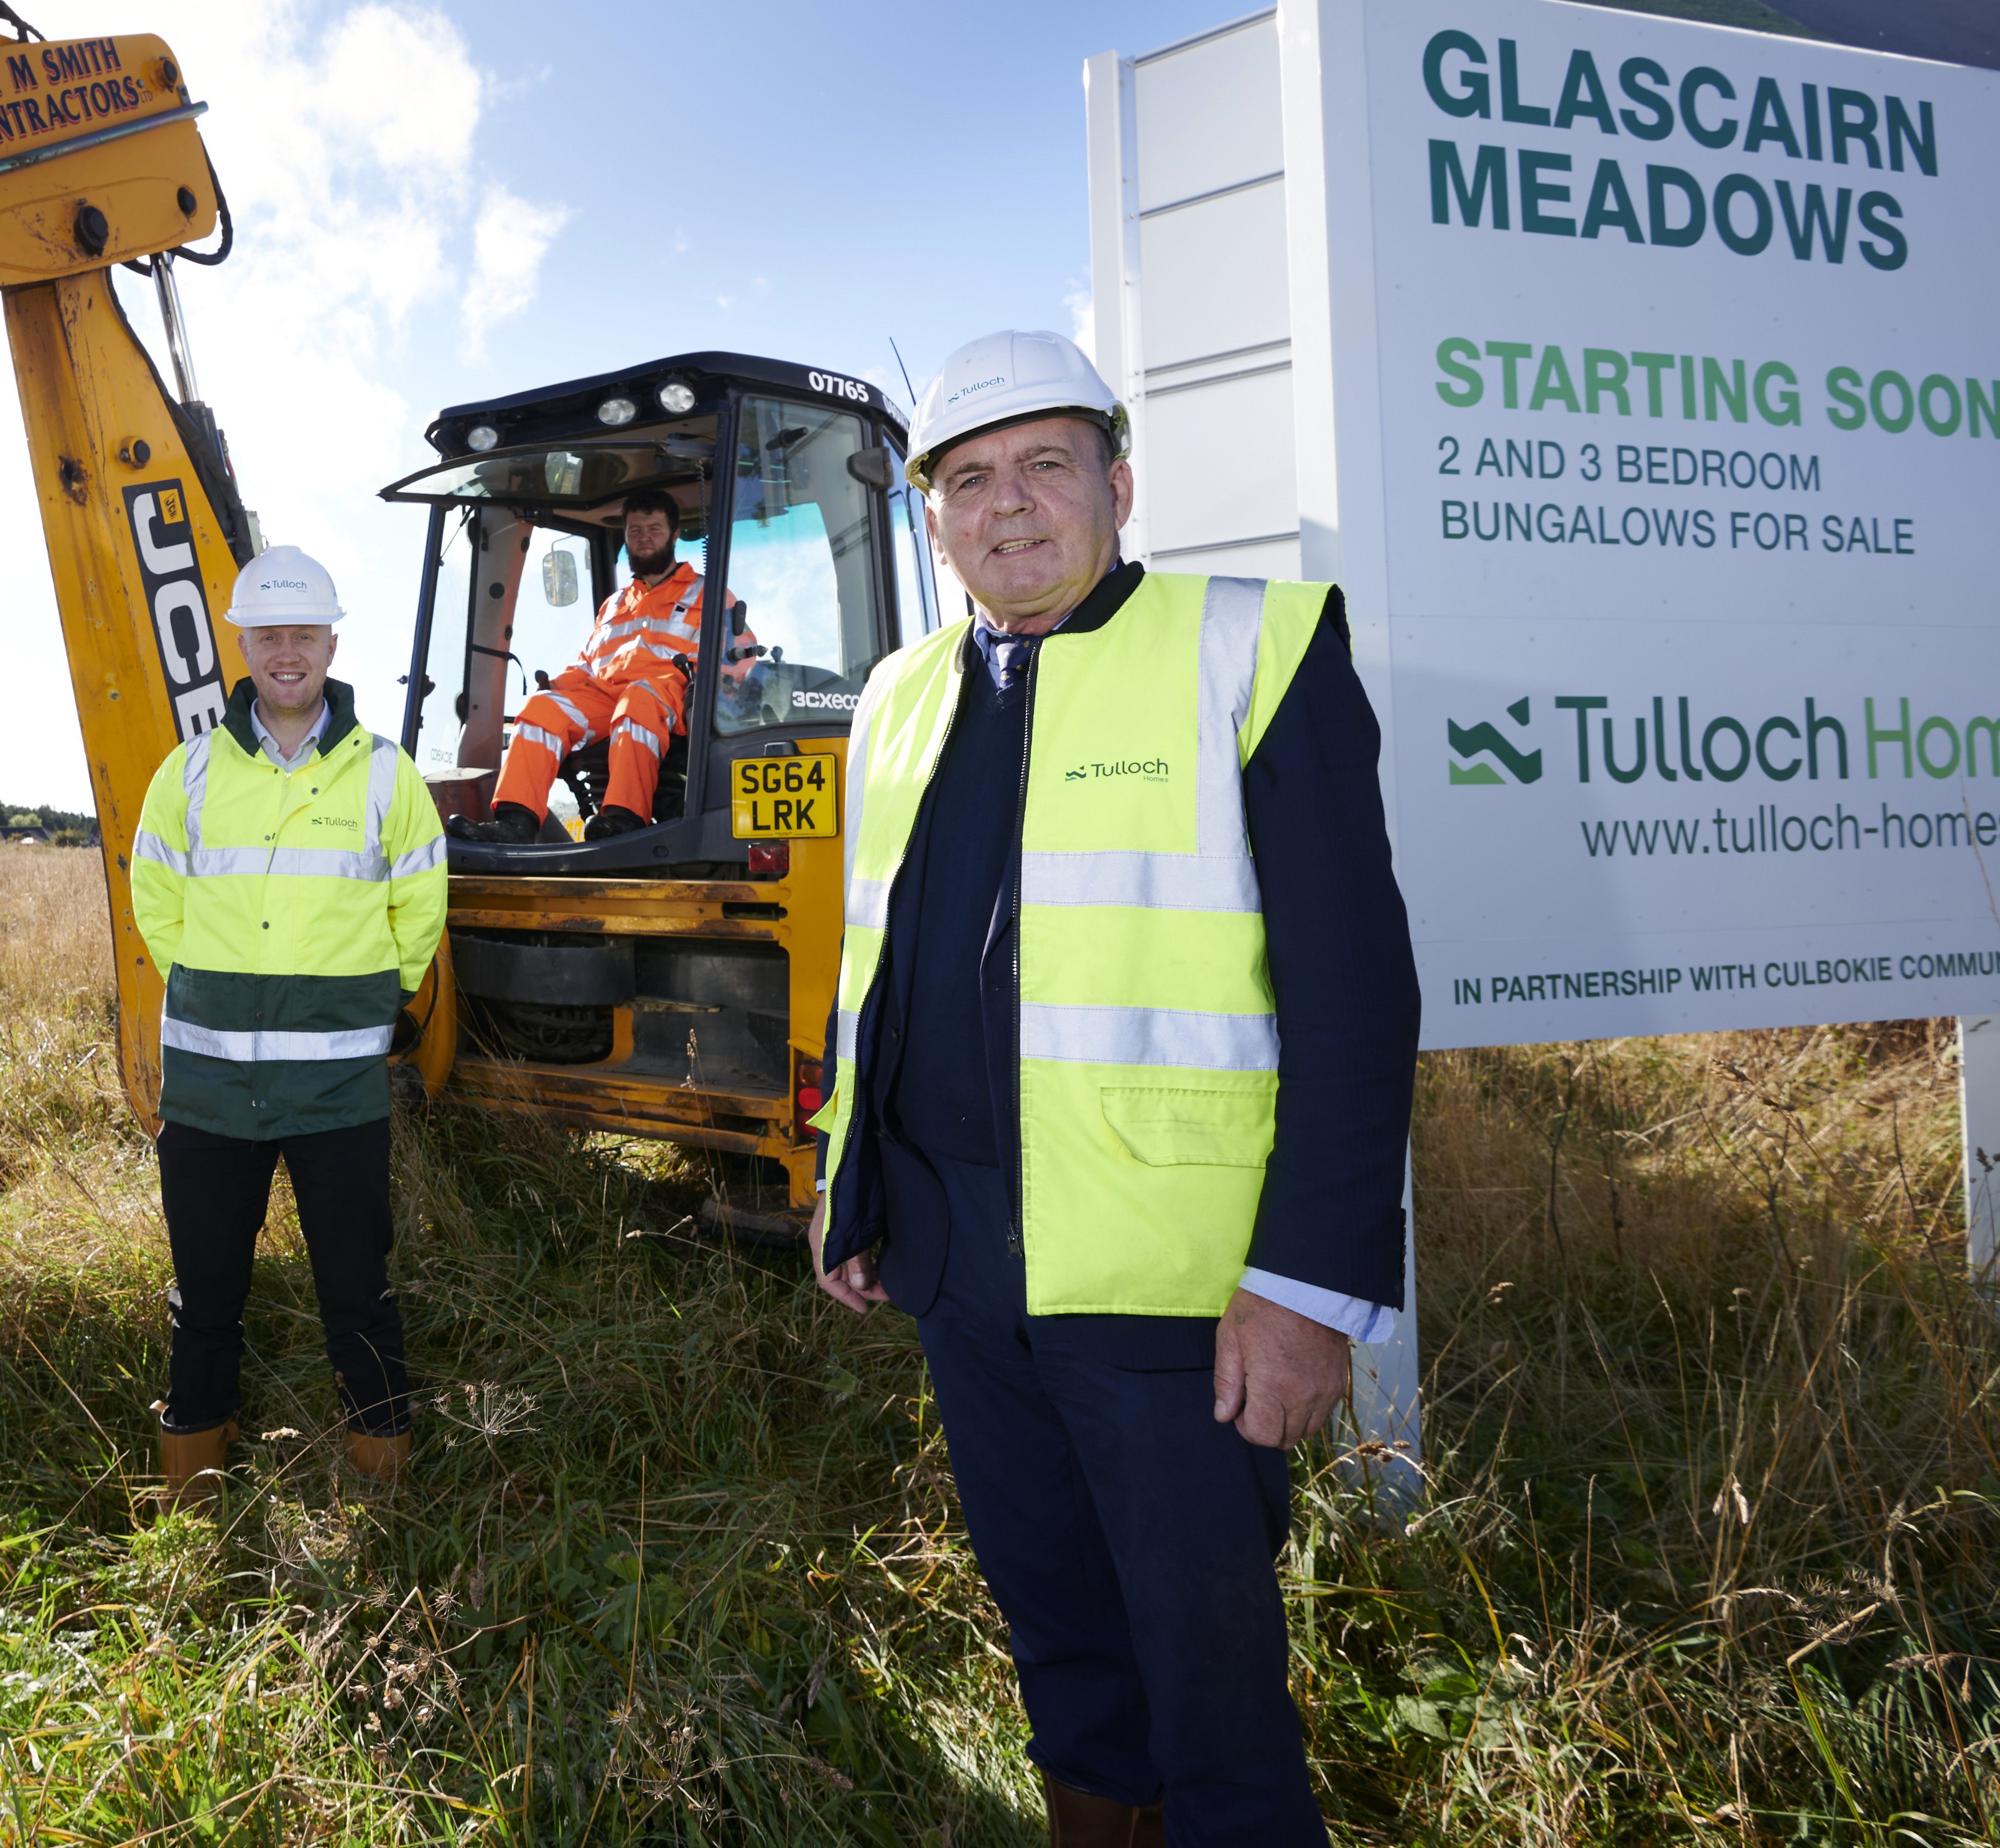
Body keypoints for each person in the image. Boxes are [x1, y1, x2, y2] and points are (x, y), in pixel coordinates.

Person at [805, 330, 1416, 1845]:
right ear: (929, 519)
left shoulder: (1250, 646)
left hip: (1178, 1293)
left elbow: (1355, 999)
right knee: (1057, 1635)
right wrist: (849, 1190)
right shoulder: (893, 695)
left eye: (1041, 466)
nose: (1005, 507)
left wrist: (1304, 1288)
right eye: (965, 480)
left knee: (1209, 1682)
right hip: (959, 1260)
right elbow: (862, 965)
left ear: (1115, 485)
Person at [127, 544, 449, 1506]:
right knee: (204, 1298)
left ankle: (383, 1490)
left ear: (330, 642)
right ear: (243, 643)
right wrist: (228, 992)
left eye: (302, 632)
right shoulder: (185, 774)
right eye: (268, 633)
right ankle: (195, 1499)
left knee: (357, 1291)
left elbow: (417, 908)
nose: (285, 650)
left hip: (337, 1092)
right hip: (211, 1088)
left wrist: (355, 1008)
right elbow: (159, 905)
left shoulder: (388, 777)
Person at [452, 488, 748, 843]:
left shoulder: (709, 594)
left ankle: (624, 819)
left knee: (637, 699)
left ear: (674, 535)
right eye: (635, 531)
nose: (644, 538)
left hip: (671, 697)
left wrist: (711, 688)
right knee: (540, 709)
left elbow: (740, 657)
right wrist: (557, 687)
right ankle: (515, 824)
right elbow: (588, 666)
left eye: (654, 529)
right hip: (607, 698)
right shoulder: (614, 604)